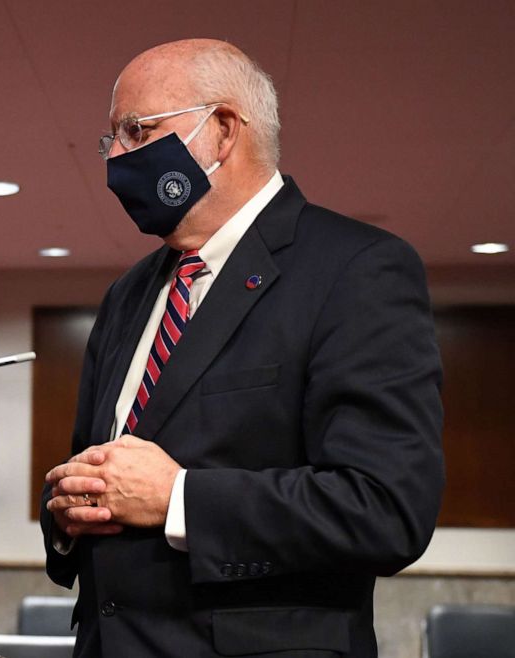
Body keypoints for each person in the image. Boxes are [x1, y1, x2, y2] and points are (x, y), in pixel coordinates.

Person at [40, 39, 444, 657]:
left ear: (223, 130)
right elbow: (102, 475)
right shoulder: (129, 293)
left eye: (136, 131)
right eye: (111, 140)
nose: (115, 157)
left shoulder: (356, 268)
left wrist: (179, 498)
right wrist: (69, 511)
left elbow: (385, 508)